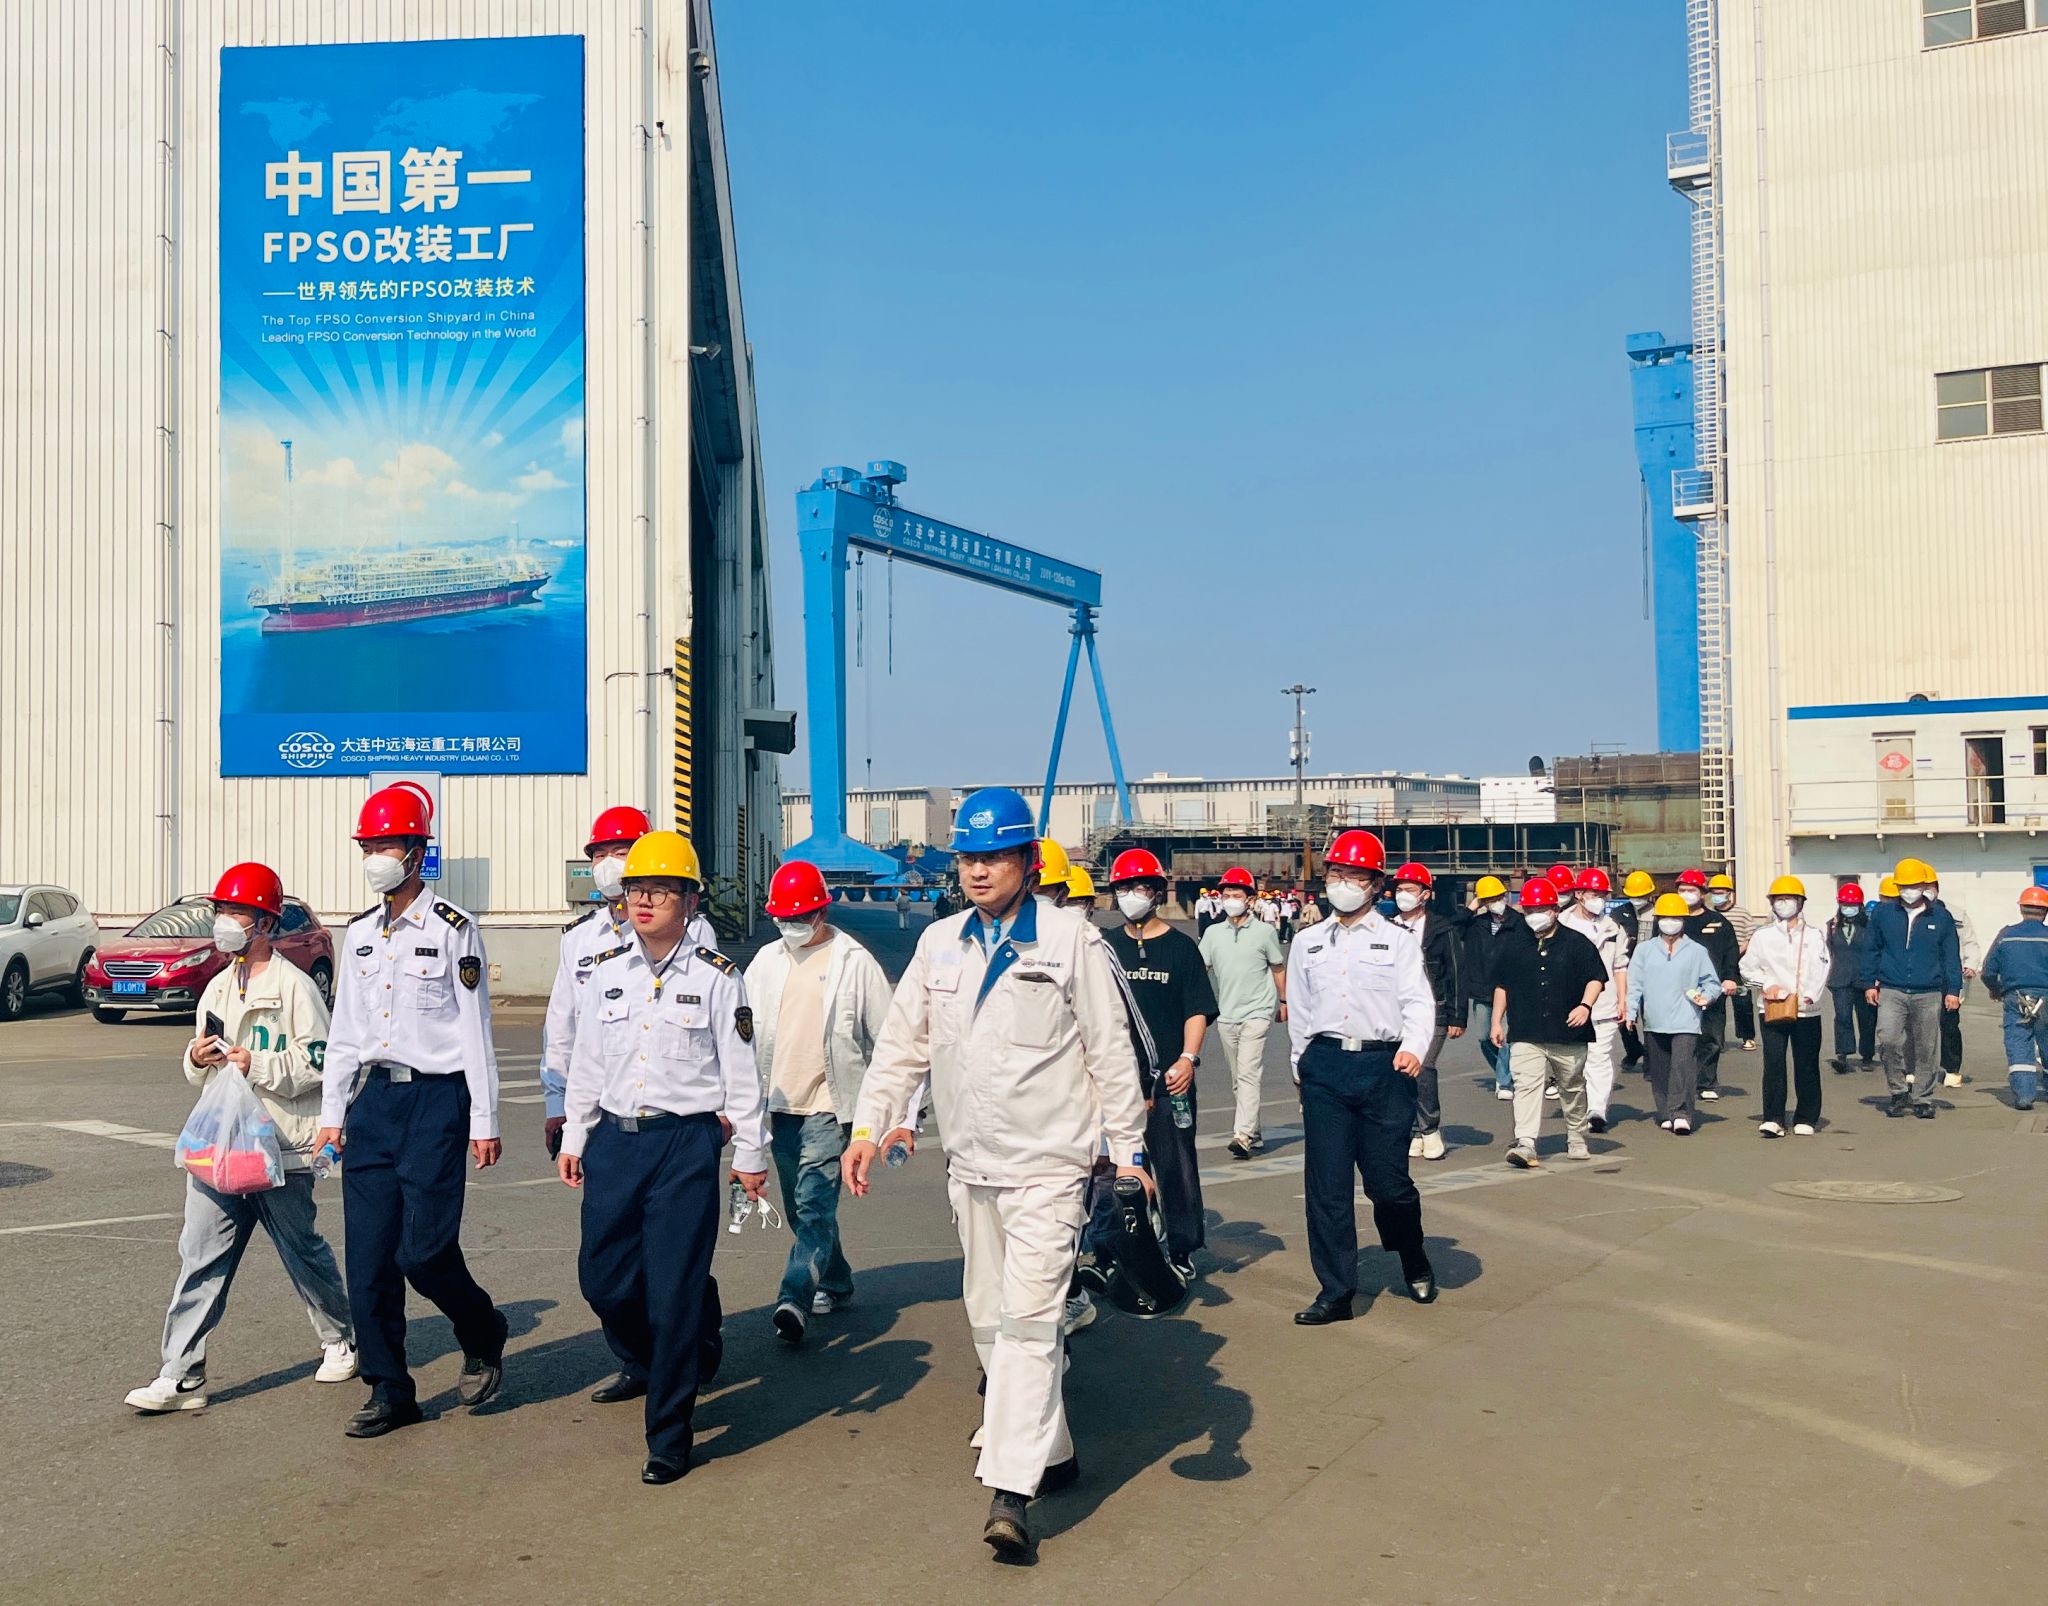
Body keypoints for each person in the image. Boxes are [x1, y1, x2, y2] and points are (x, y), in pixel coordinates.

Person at [843, 787, 1149, 1562]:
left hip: (1050, 1167)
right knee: (987, 1316)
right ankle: (1056, 1452)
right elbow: (902, 1046)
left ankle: (1011, 1491)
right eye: (968, 858)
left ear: (1026, 860)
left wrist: (1130, 1155)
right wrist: (870, 1126)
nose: (978, 871)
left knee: (1030, 1321)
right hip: (971, 1166)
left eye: (994, 856)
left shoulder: (1072, 941)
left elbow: (1112, 1052)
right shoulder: (939, 944)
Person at [557, 831, 769, 1484]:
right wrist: (574, 1136)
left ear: (690, 901)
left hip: (684, 1145)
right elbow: (587, 1062)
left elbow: (742, 1072)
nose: (643, 902)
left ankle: (670, 1433)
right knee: (603, 1277)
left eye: (660, 892)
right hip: (616, 1143)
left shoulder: (717, 977)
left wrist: (751, 1154)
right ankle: (658, 1356)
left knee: (673, 1290)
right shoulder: (605, 972)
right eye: (636, 891)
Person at [125, 862, 355, 1414]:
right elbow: (199, 1069)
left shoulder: (295, 987)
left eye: (237, 913)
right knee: (200, 1256)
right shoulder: (217, 987)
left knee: (300, 1249)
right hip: (223, 1147)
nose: (225, 922)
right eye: (222, 911)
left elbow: (322, 1061)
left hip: (279, 1146)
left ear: (265, 924)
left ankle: (340, 1337)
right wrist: (196, 1057)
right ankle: (182, 1375)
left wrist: (260, 1065)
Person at [313, 786, 506, 1439]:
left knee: (422, 1252)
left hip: (436, 1101)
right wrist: (333, 1114)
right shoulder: (360, 933)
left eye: (387, 845)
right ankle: (390, 1389)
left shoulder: (454, 927)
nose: (376, 857)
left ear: (418, 852)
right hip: (375, 1102)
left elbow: (475, 1029)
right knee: (369, 1259)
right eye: (368, 846)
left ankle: (481, 1328)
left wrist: (484, 1118)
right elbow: (345, 1031)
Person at [1286, 830, 1440, 1325]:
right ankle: (1336, 1291)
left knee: (1388, 1184)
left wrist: (1414, 1048)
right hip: (1326, 1066)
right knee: (1327, 1186)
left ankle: (1411, 1253)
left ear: (1375, 884)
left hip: (1384, 1067)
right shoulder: (1308, 942)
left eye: (1355, 876)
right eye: (1336, 874)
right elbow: (1300, 1010)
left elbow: (1418, 1001)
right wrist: (1300, 1065)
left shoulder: (1397, 940)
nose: (1343, 884)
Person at [744, 858, 893, 1343]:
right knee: (802, 1207)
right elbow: (739, 1033)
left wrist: (894, 1112)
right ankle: (837, 1278)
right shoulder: (765, 962)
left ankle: (794, 1297)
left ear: (822, 912)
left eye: (800, 918)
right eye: (783, 919)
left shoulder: (854, 962)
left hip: (831, 1105)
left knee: (812, 1204)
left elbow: (889, 1039)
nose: (791, 927)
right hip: (780, 1104)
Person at [1103, 849, 1216, 1278]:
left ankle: (1183, 1247)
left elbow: (1197, 1009)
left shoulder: (1181, 948)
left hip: (1170, 1079)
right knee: (1115, 1170)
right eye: (1123, 888)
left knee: (1176, 1166)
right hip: (1116, 1080)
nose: (1131, 895)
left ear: (1155, 892)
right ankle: (1117, 1249)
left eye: (1139, 887)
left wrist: (1188, 1059)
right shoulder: (1105, 948)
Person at [544, 806, 651, 1161]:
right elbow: (561, 1026)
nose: (608, 864)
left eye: (620, 853)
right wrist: (557, 1103)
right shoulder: (579, 938)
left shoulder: (684, 931)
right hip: (597, 1107)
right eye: (600, 855)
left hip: (663, 1109)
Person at [1491, 877, 1607, 1167]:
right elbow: (1502, 985)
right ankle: (1526, 1141)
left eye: (1541, 909)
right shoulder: (1513, 943)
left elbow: (1596, 978)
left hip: (1568, 1029)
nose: (1535, 915)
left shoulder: (1576, 943)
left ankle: (1576, 1135)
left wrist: (1585, 1006)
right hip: (1525, 1029)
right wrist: (1496, 1022)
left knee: (1572, 1086)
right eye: (1530, 910)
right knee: (1525, 1085)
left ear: (1555, 910)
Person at [1864, 857, 1962, 1120]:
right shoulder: (1883, 914)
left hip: (1928, 991)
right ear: (1897, 887)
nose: (1909, 890)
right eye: (1904, 886)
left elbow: (1950, 956)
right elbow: (1871, 949)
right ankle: (1898, 1091)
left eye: (1915, 885)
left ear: (1924, 886)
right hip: (1891, 988)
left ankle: (1922, 1097)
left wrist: (1953, 990)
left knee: (1927, 1046)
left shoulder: (1940, 917)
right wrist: (1869, 983)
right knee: (1888, 1039)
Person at [1200, 865, 1287, 1160]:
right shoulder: (1212, 933)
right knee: (1238, 1078)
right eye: (1226, 894)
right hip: (1226, 1014)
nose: (1230, 900)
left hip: (1257, 1012)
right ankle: (1255, 1132)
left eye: (1236, 894)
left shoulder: (1265, 932)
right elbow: (1201, 970)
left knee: (1249, 1073)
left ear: (1250, 899)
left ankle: (1243, 1135)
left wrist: (1284, 1002)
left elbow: (1277, 968)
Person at [1739, 876, 1832, 1135]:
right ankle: (1774, 1118)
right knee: (1773, 1062)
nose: (1784, 904)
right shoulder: (1762, 936)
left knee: (1806, 1063)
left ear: (1800, 903)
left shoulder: (1813, 935)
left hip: (1807, 1010)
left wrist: (1811, 994)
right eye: (1778, 899)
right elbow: (1746, 968)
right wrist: (1767, 985)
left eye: (1789, 899)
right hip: (1771, 1007)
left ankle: (1806, 1117)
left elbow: (1822, 966)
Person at [1624, 894, 1723, 1134]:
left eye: (1676, 917)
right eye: (1665, 917)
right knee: (1659, 1070)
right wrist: (1630, 1011)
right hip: (1654, 1018)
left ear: (1683, 920)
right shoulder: (1644, 950)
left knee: (1683, 1066)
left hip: (1686, 1018)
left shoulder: (1697, 951)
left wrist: (1706, 997)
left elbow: (1712, 983)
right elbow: (1634, 983)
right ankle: (1665, 1112)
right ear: (1658, 920)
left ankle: (1682, 1113)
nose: (1670, 922)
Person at [1387, 863, 1464, 1162]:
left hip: (1436, 1010)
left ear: (1425, 894)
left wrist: (1458, 1016)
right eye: (1399, 889)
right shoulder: (1387, 928)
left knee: (1424, 1065)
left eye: (1410, 889)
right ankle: (1413, 1131)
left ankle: (1430, 1129)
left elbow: (1456, 972)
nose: (1403, 895)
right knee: (1401, 1071)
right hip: (1396, 1012)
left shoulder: (1442, 929)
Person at [1559, 867, 1630, 1134]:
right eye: (1594, 894)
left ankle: (1596, 1109)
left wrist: (1623, 999)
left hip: (1604, 1003)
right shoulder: (1562, 924)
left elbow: (1620, 966)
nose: (1599, 899)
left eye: (1602, 895)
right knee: (1573, 1061)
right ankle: (1577, 1107)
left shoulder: (1613, 928)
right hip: (1569, 1002)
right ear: (1579, 894)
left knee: (1599, 1057)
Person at [1674, 868, 1742, 1099]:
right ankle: (1681, 1084)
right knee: (1680, 1038)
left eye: (1691, 890)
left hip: (1712, 988)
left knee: (1711, 1037)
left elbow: (1731, 952)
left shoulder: (1718, 922)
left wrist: (1730, 977)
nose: (1686, 894)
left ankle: (1706, 1083)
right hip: (1678, 988)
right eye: (1682, 890)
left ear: (1703, 893)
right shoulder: (1670, 921)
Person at [1980, 886, 2048, 1109]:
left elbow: (1988, 971)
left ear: (2021, 909)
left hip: (2016, 998)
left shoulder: (2007, 935)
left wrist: (1996, 989)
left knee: (2019, 1044)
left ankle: (2024, 1095)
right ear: (2045, 911)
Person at [1462, 875, 1523, 1102]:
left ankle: (1504, 1080)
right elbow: (1452, 928)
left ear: (1505, 896)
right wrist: (1471, 908)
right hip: (1482, 987)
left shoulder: (1520, 923)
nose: (1495, 902)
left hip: (1511, 987)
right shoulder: (1476, 924)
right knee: (1483, 1037)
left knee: (1504, 1037)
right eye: (1489, 899)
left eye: (1497, 897)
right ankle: (1505, 1070)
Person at [1927, 876, 1979, 1087]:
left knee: (1949, 1024)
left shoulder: (1956, 914)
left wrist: (1971, 963)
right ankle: (1919, 1069)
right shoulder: (1908, 915)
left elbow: (1969, 941)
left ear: (1937, 889)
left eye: (1929, 887)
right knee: (1920, 1025)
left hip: (1949, 976)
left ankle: (1951, 1069)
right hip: (1922, 976)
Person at [1826, 882, 1878, 1073]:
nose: (1848, 908)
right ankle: (1843, 1054)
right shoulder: (1832, 926)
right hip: (1840, 978)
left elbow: (1875, 951)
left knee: (1867, 1019)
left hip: (1864, 979)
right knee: (1842, 1016)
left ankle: (1867, 1055)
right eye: (1845, 904)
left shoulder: (1870, 926)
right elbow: (1828, 950)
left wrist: (1875, 979)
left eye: (1852, 904)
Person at [1708, 873, 1761, 1050]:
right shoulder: (1709, 915)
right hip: (1715, 965)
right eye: (1714, 892)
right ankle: (1717, 1040)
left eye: (1720, 892)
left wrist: (1735, 954)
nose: (1717, 896)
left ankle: (1747, 1036)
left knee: (1742, 1002)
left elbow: (1750, 937)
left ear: (1729, 893)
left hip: (1738, 965)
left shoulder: (1742, 914)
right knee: (1716, 1004)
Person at [1618, 870, 1657, 1067]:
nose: (1637, 900)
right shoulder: (1619, 913)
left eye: (1641, 896)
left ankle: (1652, 1056)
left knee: (1651, 1015)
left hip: (1652, 971)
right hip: (1625, 969)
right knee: (1624, 1013)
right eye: (1633, 896)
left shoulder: (1659, 913)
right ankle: (1633, 1049)